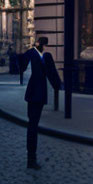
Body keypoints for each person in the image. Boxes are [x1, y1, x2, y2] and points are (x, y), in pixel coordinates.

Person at [19, 36, 62, 170]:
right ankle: (31, 159)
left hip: (34, 94)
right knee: (33, 125)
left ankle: (31, 158)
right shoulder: (41, 55)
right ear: (45, 45)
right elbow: (52, 75)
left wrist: (57, 85)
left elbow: (21, 67)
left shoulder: (35, 54)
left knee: (32, 125)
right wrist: (58, 86)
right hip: (36, 94)